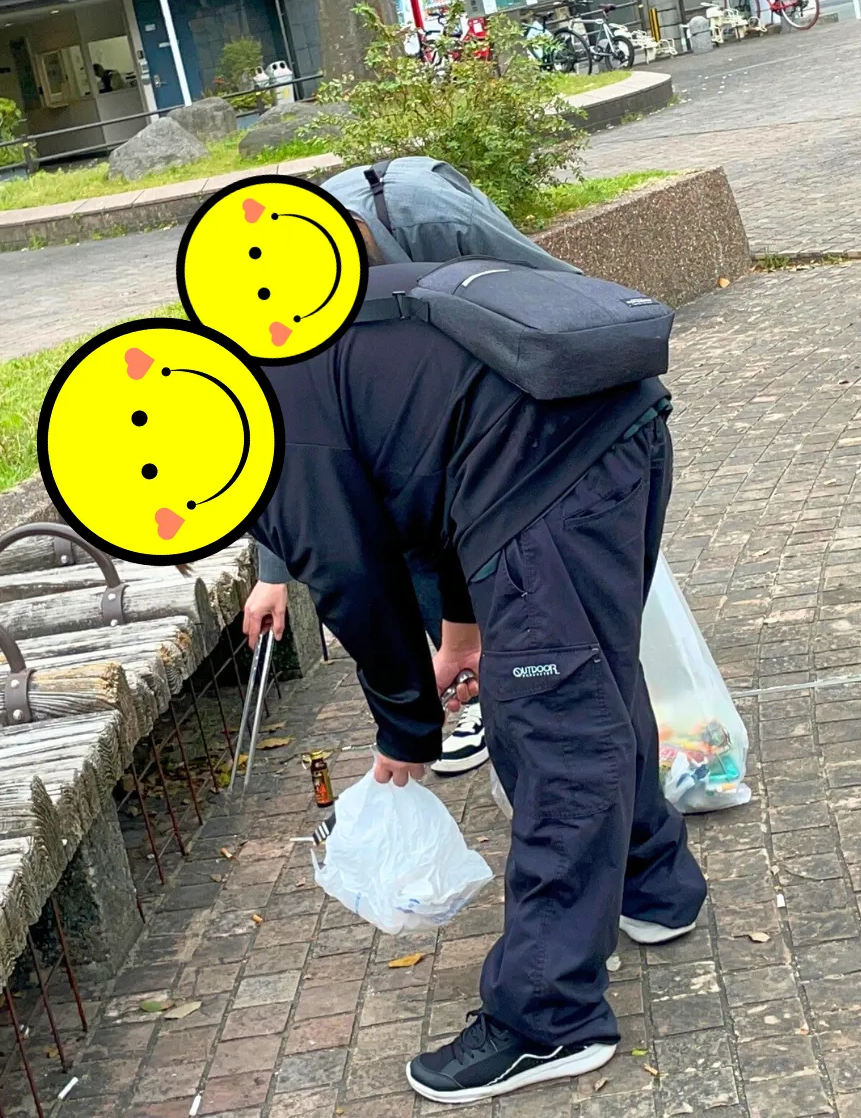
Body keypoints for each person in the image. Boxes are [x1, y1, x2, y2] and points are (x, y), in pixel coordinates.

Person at [249, 246, 707, 1104]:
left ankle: (550, 1017)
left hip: (548, 469)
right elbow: (430, 475)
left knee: (557, 734)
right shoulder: (290, 349)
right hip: (615, 430)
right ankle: (654, 884)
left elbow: (360, 587)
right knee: (593, 681)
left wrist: (407, 731)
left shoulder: (268, 438)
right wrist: (463, 634)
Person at [241, 157, 578, 776]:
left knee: (538, 600)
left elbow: (564, 297)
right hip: (439, 452)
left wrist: (402, 730)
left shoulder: (438, 224)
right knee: (413, 517)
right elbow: (297, 461)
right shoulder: (274, 300)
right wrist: (273, 573)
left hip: (539, 430)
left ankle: (524, 687)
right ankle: (473, 676)